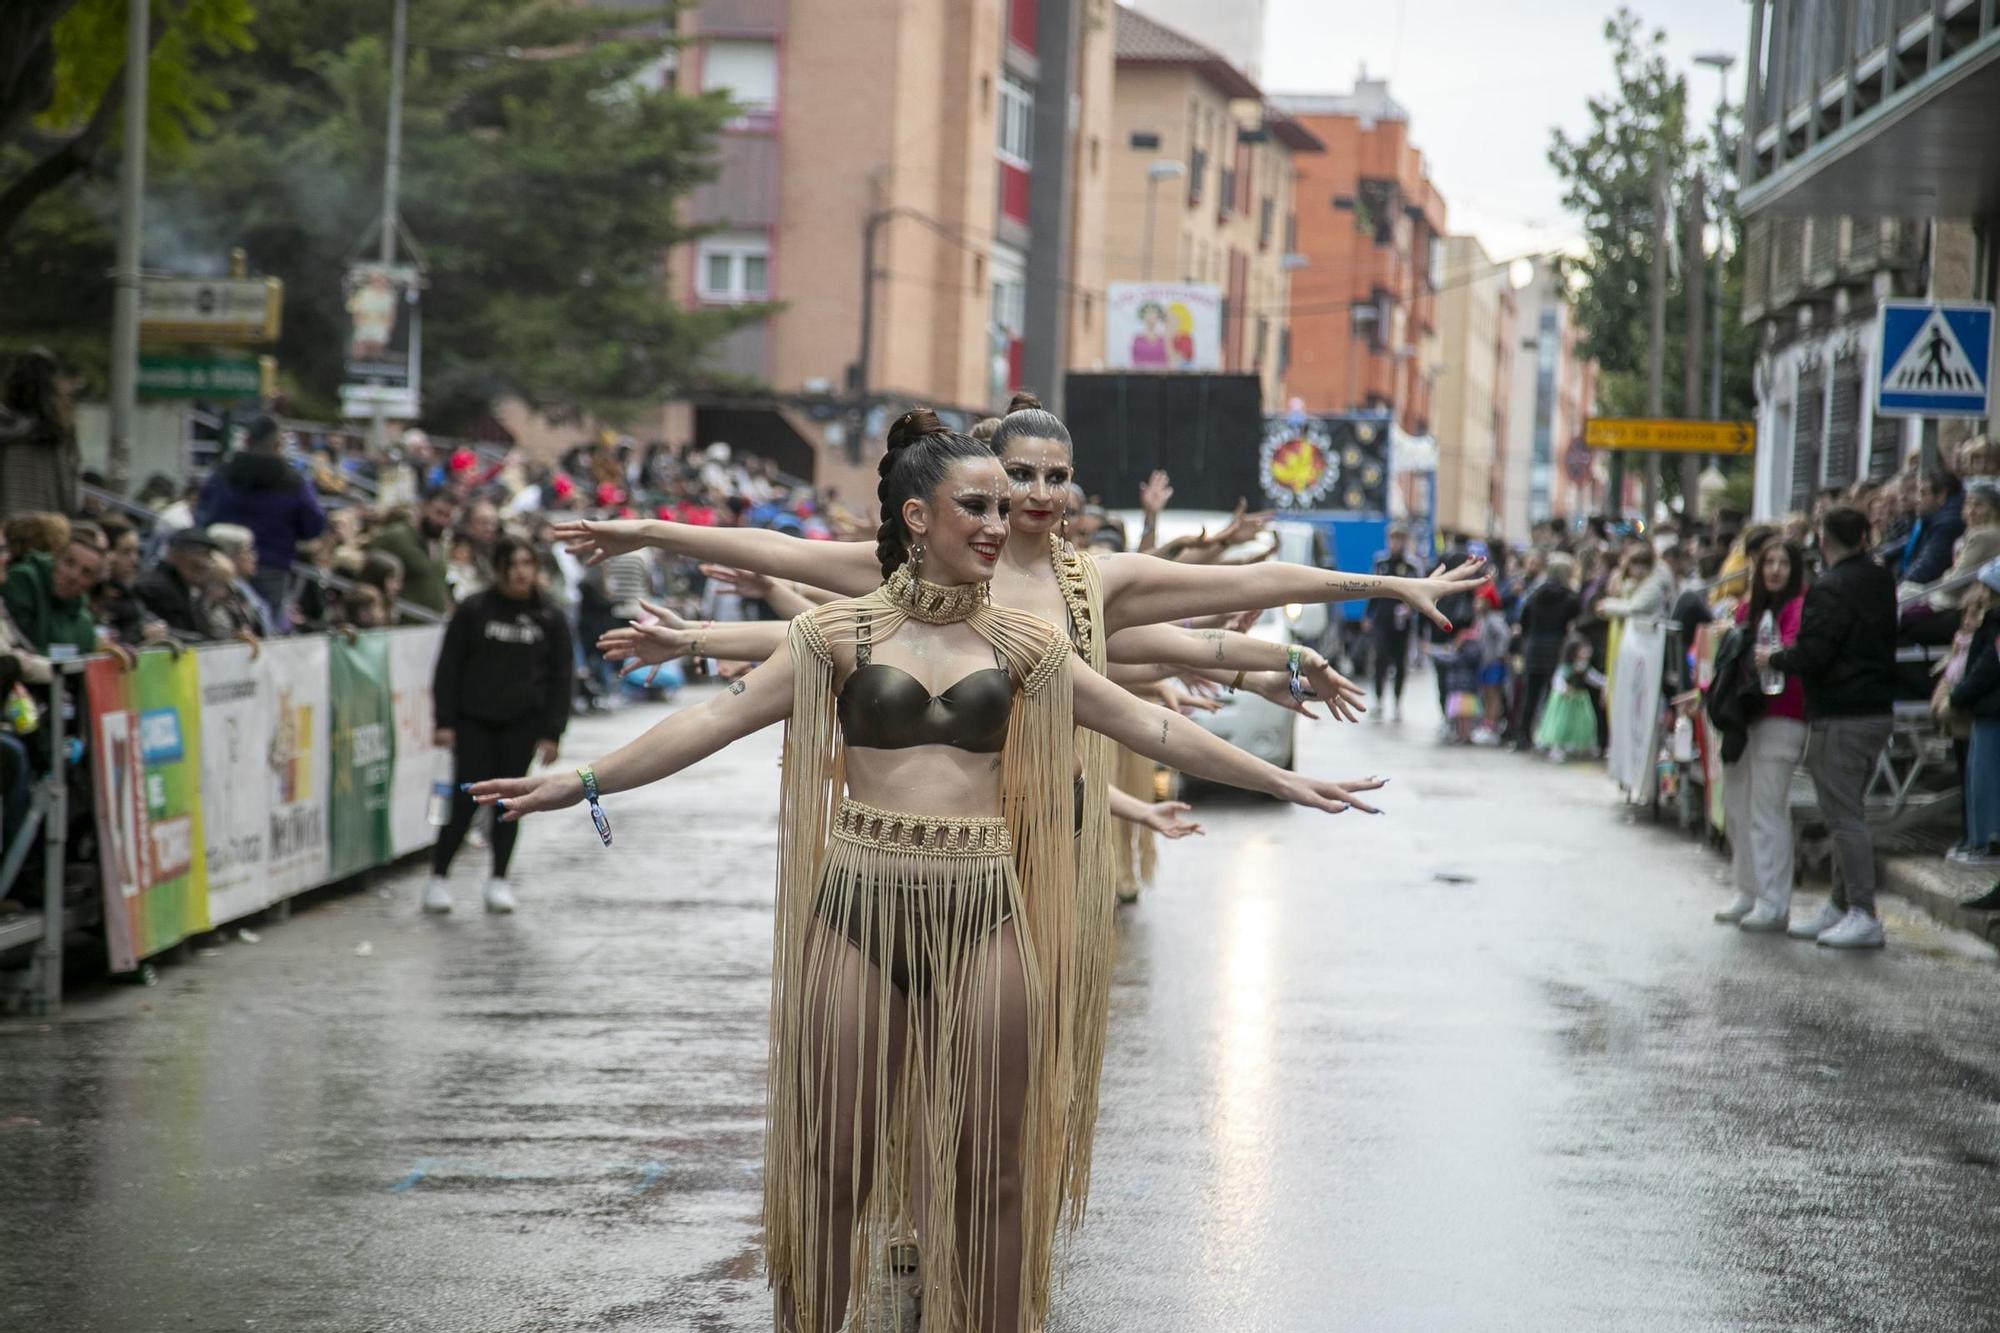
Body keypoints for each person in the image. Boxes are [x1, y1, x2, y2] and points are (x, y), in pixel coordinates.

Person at [477, 410, 1382, 1333]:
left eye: (1009, 502)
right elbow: (711, 721)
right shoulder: (839, 633)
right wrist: (584, 780)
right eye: (978, 505)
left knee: (994, 1172)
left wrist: (1283, 777)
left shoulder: (1029, 646)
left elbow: (1148, 725)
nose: (1003, 521)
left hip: (986, 909)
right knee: (837, 1169)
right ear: (918, 517)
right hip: (857, 912)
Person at [1758, 506, 1897, 949]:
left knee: (1844, 818)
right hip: (1873, 708)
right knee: (1846, 811)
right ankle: (1840, 905)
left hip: (1842, 713)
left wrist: (1774, 658)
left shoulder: (1831, 588)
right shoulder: (1880, 577)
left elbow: (1815, 652)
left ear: (1822, 541)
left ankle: (1862, 910)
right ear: (1862, 538)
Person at [424, 535, 575, 915]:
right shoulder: (475, 610)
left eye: (528, 563)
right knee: (465, 800)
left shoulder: (550, 615)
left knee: (511, 802)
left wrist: (552, 731)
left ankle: (499, 879)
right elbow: (448, 667)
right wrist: (444, 720)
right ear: (500, 568)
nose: (521, 572)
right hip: (474, 720)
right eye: (514, 564)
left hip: (522, 723)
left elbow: (562, 677)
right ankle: (439, 877)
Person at [1715, 540, 1810, 931]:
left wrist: (1770, 657)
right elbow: (1734, 663)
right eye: (1768, 562)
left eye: (1782, 563)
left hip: (1782, 714)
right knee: (1737, 805)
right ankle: (1748, 889)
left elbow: (1789, 654)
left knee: (1767, 810)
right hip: (1745, 717)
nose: (1774, 570)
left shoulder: (1799, 608)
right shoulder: (1748, 609)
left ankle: (1774, 901)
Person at [194, 414, 327, 629]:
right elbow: (314, 524)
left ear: (247, 440)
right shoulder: (293, 480)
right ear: (278, 444)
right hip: (273, 564)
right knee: (266, 626)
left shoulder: (222, 474)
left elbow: (202, 515)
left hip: (221, 562)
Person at [2, 520, 106, 660]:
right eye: (69, 562)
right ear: (56, 557)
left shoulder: (84, 624)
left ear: (92, 584)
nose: (73, 576)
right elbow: (17, 646)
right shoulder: (23, 580)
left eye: (86, 573)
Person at [1510, 552, 1581, 749]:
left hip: (1534, 647)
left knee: (1530, 695)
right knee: (1552, 695)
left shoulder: (1534, 595)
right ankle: (1549, 735)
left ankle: (1522, 736)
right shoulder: (1570, 598)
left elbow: (1523, 620)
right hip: (1557, 647)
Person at [0, 349, 79, 519]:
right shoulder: (56, 431)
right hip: (47, 527)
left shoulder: (5, 427)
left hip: (6, 528)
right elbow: (67, 489)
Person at [366, 489, 456, 615]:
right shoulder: (396, 536)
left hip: (432, 626)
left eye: (447, 516)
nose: (442, 521)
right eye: (438, 513)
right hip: (403, 626)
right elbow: (368, 575)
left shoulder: (439, 543)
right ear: (423, 506)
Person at [135, 528, 230, 640]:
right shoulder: (155, 588)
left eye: (209, 556)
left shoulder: (186, 588)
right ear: (175, 553)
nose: (205, 564)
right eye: (202, 554)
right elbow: (170, 635)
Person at [1367, 524, 1419, 720]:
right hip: (1382, 618)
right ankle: (1379, 700)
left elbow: (1416, 594)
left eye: (1399, 540)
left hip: (1401, 624)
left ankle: (1397, 702)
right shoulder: (1381, 563)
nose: (1395, 544)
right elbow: (1372, 590)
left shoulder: (1410, 567)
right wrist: (1368, 615)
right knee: (1380, 659)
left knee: (1400, 663)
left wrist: (1409, 609)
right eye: (1392, 539)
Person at [1533, 636, 1602, 761]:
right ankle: (1557, 747)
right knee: (1561, 724)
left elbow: (1593, 677)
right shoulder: (1566, 667)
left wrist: (1605, 682)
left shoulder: (1584, 667)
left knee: (1583, 722)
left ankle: (1577, 745)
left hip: (1579, 699)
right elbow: (1558, 680)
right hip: (1565, 701)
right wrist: (1563, 689)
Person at [1899, 469, 1965, 586]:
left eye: (1923, 494)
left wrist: (1899, 587)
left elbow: (1927, 568)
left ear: (1941, 495)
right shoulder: (1936, 520)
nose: (1917, 500)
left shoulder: (1946, 524)